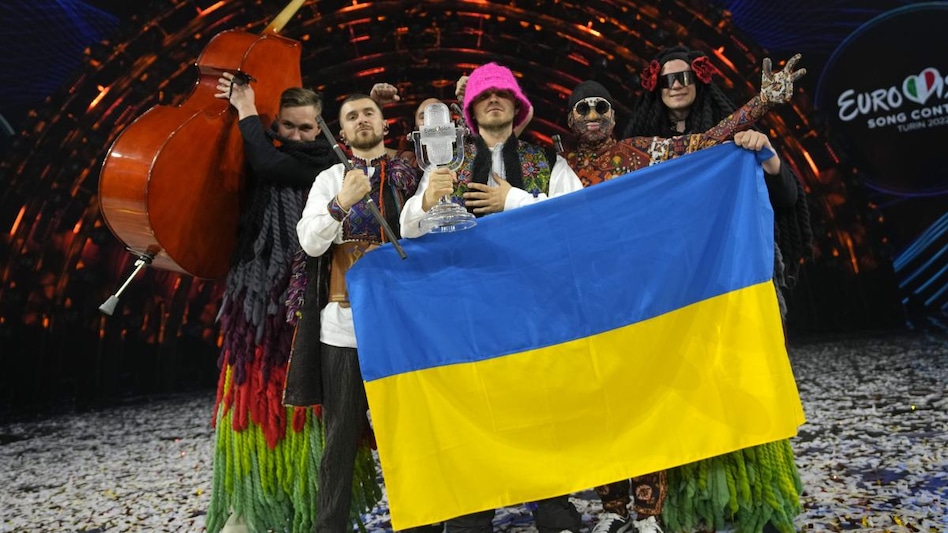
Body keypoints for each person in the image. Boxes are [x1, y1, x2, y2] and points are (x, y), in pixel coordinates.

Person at [584, 47, 810, 533]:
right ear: (654, 89)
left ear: (701, 82)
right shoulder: (639, 152)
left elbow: (788, 196)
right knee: (683, 394)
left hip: (729, 285)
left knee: (740, 386)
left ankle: (751, 500)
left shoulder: (735, 140)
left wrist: (765, 152)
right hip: (672, 295)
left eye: (686, 77)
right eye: (667, 80)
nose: (677, 85)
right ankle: (691, 506)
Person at [400, 62, 584, 533]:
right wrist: (425, 202)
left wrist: (514, 201)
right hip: (470, 308)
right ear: (471, 109)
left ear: (517, 105)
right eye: (485, 96)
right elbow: (406, 229)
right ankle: (474, 507)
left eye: (503, 93)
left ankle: (550, 503)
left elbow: (577, 220)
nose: (494, 100)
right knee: (475, 406)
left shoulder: (547, 162)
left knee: (540, 405)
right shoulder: (445, 162)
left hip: (535, 304)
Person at [207, 75, 338, 532]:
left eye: (308, 128)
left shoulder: (326, 166)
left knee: (309, 404)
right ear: (277, 127)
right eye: (289, 127)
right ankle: (249, 508)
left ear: (322, 129)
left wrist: (246, 109)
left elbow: (267, 163)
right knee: (252, 394)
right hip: (259, 302)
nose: (299, 137)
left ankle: (308, 506)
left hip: (308, 302)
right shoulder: (266, 158)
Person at [295, 93, 420, 533]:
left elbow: (423, 230)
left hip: (404, 328)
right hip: (343, 328)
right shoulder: (331, 178)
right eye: (351, 117)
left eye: (369, 113)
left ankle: (421, 523)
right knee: (340, 442)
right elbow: (310, 241)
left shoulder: (411, 171)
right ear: (342, 133)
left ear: (385, 124)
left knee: (411, 439)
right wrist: (341, 202)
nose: (361, 120)